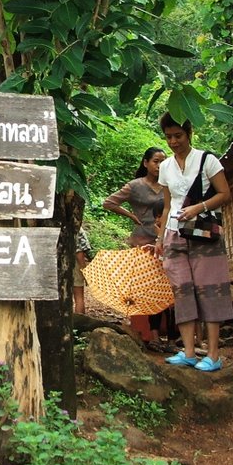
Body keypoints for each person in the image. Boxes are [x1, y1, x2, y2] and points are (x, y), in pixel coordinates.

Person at [154, 113, 232, 372]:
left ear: (189, 134)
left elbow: (225, 193)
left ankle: (213, 354)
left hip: (204, 234)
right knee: (182, 291)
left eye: (178, 136)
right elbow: (167, 206)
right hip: (175, 234)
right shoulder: (165, 167)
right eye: (169, 137)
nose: (174, 142)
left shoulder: (207, 160)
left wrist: (199, 207)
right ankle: (188, 351)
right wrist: (160, 238)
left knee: (210, 289)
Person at [103, 146, 170, 344]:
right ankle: (145, 333)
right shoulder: (135, 186)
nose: (159, 165)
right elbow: (109, 203)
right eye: (156, 161)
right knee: (144, 289)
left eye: (163, 161)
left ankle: (167, 332)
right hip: (142, 243)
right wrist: (132, 216)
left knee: (165, 288)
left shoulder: (168, 185)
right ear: (146, 163)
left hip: (165, 241)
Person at [73, 225, 92, 315]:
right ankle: (79, 321)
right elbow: (79, 253)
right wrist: (84, 271)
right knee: (79, 296)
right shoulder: (76, 229)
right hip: (74, 264)